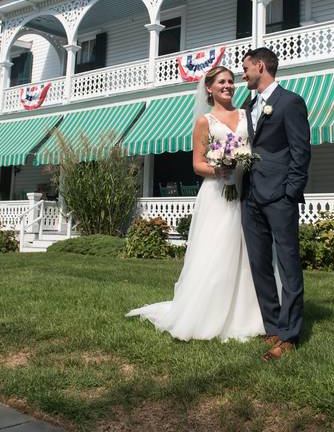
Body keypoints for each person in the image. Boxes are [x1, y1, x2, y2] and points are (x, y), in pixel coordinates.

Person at [126, 65, 266, 341]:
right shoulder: (205, 121)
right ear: (209, 89)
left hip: (245, 190)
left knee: (249, 250)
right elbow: (197, 164)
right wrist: (219, 169)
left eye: (231, 82)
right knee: (217, 250)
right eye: (222, 82)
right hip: (217, 193)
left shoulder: (245, 115)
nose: (228, 86)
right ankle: (208, 313)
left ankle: (249, 313)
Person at [240, 47, 311, 361]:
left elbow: (301, 151)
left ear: (260, 66)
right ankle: (272, 324)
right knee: (259, 264)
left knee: (288, 264)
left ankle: (289, 335)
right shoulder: (247, 104)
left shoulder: (290, 102)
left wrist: (290, 193)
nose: (243, 75)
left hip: (279, 196)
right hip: (250, 195)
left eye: (246, 69)